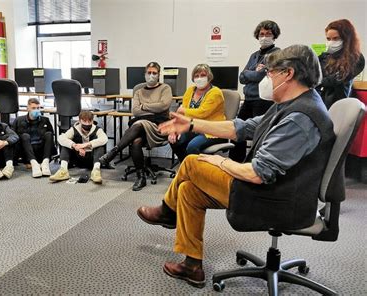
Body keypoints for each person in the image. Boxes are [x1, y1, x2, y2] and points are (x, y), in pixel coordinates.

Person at [137, 45, 335, 288]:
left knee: (191, 163)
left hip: (281, 201)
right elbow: (242, 127)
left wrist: (221, 161)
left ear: (289, 74)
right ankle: (192, 265)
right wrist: (191, 125)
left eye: (271, 73)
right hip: (275, 191)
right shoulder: (290, 104)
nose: (267, 78)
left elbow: (257, 173)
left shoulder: (300, 118)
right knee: (188, 190)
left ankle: (168, 211)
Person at [99, 61, 172, 191]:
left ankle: (113, 152)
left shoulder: (165, 88)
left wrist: (144, 106)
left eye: (154, 73)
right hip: (142, 125)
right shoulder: (139, 91)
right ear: (145, 74)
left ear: (159, 75)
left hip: (159, 126)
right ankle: (141, 177)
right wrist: (153, 107)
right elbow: (135, 111)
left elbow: (164, 106)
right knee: (136, 141)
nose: (151, 75)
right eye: (149, 73)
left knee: (138, 123)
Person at [230, 20, 281, 162]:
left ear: (274, 36)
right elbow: (241, 77)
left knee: (260, 134)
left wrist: (250, 73)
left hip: (263, 101)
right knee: (237, 131)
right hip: (249, 99)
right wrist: (252, 73)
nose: (264, 37)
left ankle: (255, 164)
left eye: (268, 34)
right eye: (261, 34)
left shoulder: (277, 54)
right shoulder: (254, 55)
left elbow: (260, 75)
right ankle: (235, 162)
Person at [169, 64, 226, 162]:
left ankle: (196, 172)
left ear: (209, 77)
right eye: (196, 76)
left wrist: (182, 110)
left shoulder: (216, 92)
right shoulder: (190, 90)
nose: (199, 78)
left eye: (203, 75)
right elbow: (182, 115)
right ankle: (186, 167)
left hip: (212, 131)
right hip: (194, 128)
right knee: (174, 140)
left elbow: (202, 113)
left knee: (192, 146)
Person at [316, 19, 365, 109]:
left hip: (342, 105)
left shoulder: (357, 59)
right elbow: (313, 73)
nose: (331, 42)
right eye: (328, 39)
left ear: (347, 39)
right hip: (321, 104)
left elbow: (336, 79)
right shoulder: (325, 57)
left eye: (335, 38)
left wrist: (317, 80)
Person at [50, 111, 108, 184]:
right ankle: (63, 170)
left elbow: (104, 139)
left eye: (89, 121)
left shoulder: (97, 129)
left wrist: (86, 144)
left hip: (92, 159)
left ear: (92, 121)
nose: (87, 124)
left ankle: (96, 171)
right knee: (66, 144)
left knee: (100, 145)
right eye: (84, 121)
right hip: (78, 158)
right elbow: (61, 138)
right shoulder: (74, 129)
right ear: (79, 121)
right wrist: (74, 145)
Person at [13, 98, 57, 178]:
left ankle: (45, 163)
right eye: (33, 108)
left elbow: (51, 137)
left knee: (49, 134)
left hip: (41, 151)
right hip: (27, 152)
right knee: (24, 136)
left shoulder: (45, 120)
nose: (36, 110)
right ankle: (34, 164)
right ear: (28, 108)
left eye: (38, 108)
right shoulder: (18, 120)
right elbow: (14, 137)